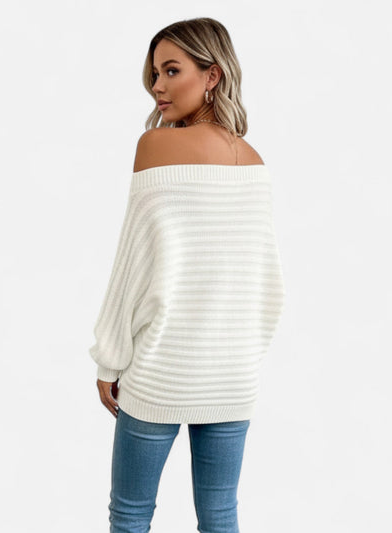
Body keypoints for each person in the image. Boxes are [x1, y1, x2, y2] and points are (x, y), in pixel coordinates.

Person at [89, 17, 285, 533]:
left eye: (172, 70)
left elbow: (132, 266)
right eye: (155, 73)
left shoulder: (155, 146)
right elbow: (269, 288)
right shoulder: (255, 162)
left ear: (212, 74)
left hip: (162, 366)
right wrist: (239, 356)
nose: (158, 86)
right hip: (233, 372)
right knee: (220, 514)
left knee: (131, 514)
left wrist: (109, 357)